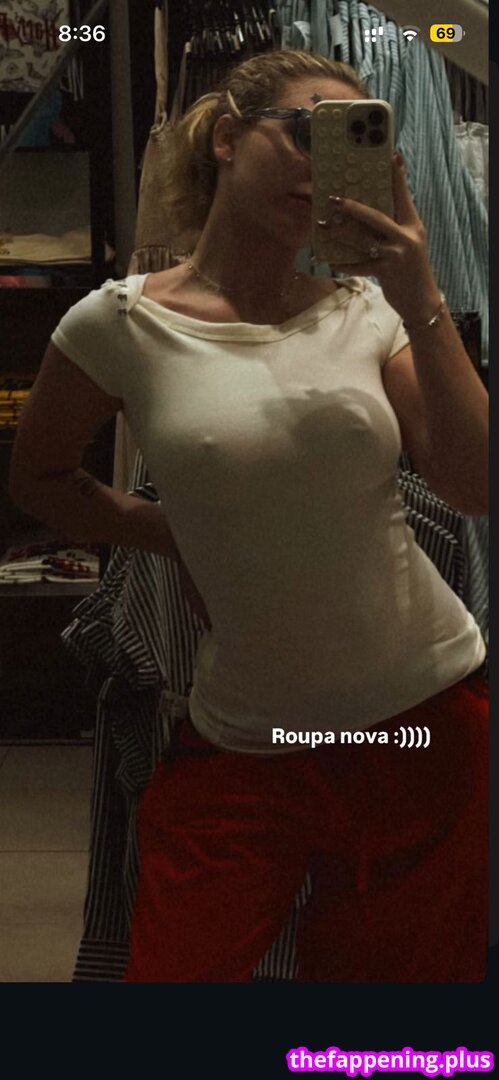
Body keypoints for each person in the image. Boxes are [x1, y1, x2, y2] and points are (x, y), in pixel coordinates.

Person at [9, 50, 488, 983]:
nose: (324, 164)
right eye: (307, 132)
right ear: (227, 138)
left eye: (356, 143)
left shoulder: (369, 314)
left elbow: (471, 486)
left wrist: (421, 295)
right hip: (248, 735)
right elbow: (41, 478)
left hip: (421, 716)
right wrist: (162, 531)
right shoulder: (119, 323)